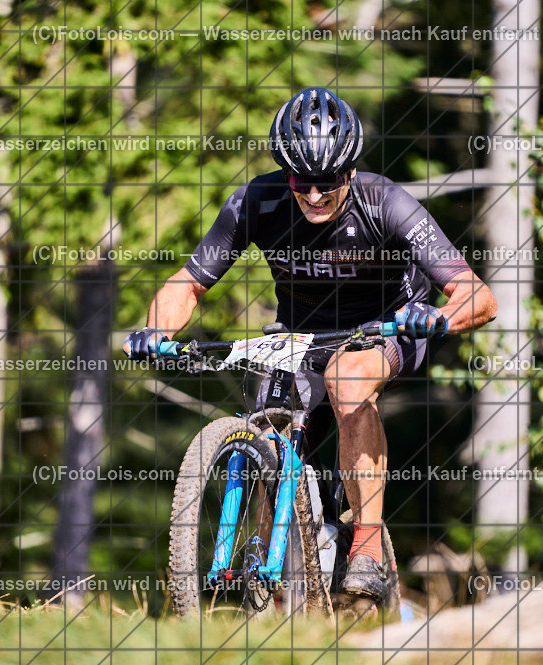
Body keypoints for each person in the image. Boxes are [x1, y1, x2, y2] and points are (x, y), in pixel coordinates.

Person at [125, 87, 497, 600]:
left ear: (349, 171)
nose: (316, 195)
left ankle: (366, 543)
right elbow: (187, 284)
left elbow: (477, 296)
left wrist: (435, 317)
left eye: (328, 182)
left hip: (383, 329)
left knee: (346, 380)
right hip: (300, 336)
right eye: (303, 182)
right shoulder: (258, 201)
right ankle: (275, 587)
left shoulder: (386, 203)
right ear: (285, 173)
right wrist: (159, 332)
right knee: (269, 437)